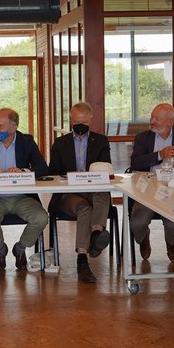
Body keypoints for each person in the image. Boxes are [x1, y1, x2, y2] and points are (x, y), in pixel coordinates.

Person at [0, 108, 49, 271]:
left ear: (13, 127)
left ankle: (20, 248)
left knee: (41, 218)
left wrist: (24, 172)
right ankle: (0, 250)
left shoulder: (26, 141)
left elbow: (43, 168)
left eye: (0, 126)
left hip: (22, 197)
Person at [48, 102, 112, 283]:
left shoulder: (100, 141)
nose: (80, 125)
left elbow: (105, 167)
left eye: (84, 121)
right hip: (69, 194)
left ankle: (96, 234)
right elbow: (53, 172)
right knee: (84, 208)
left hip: (93, 188)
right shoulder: (61, 143)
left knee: (102, 195)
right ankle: (82, 260)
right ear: (71, 120)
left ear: (91, 120)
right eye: (76, 121)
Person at [129, 103, 174, 263]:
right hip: (146, 190)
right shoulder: (143, 138)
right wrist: (159, 155)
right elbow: (135, 163)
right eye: (152, 117)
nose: (151, 121)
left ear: (170, 122)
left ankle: (171, 244)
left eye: (156, 118)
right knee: (137, 222)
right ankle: (143, 237)